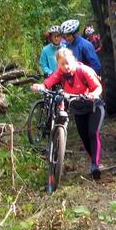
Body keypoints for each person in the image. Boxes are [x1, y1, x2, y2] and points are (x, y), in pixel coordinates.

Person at [31, 48, 104, 179]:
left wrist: (93, 94)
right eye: (62, 64)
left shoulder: (83, 71)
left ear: (73, 60)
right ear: (58, 64)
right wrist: (42, 86)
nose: (66, 66)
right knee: (84, 136)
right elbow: (51, 80)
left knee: (93, 133)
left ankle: (95, 165)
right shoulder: (60, 73)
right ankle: (93, 159)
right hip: (78, 108)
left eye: (67, 63)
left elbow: (98, 87)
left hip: (94, 106)